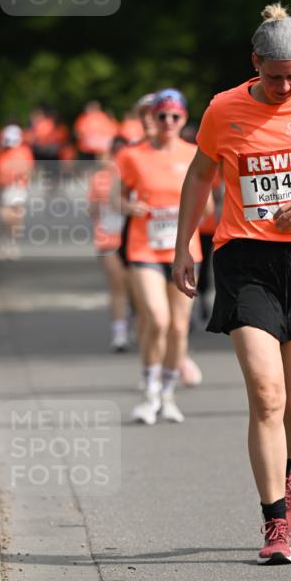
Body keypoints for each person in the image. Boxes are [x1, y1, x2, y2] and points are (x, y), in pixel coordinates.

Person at [173, 2, 291, 565]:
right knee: (266, 394)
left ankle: (284, 473)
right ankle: (274, 523)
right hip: (245, 259)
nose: (285, 87)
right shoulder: (223, 108)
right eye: (274, 75)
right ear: (254, 62)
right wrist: (183, 242)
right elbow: (200, 174)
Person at [114, 88, 206, 424]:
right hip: (144, 247)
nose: (167, 121)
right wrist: (130, 206)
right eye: (161, 115)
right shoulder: (131, 156)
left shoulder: (196, 153)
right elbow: (116, 198)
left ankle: (167, 394)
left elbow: (207, 203)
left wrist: (195, 209)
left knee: (179, 327)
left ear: (183, 119)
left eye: (175, 116)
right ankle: (150, 390)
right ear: (152, 118)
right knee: (157, 318)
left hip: (185, 249)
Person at [88, 136, 131, 351]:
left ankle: (142, 327)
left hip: (135, 241)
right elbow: (93, 210)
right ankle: (119, 334)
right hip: (107, 238)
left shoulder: (136, 174)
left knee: (135, 288)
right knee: (117, 284)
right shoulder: (100, 177)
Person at [0, 125, 34, 260]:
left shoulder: (24, 151)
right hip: (3, 188)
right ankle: (3, 242)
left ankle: (13, 243)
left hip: (18, 187)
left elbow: (30, 168)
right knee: (4, 216)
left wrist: (26, 183)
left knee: (16, 217)